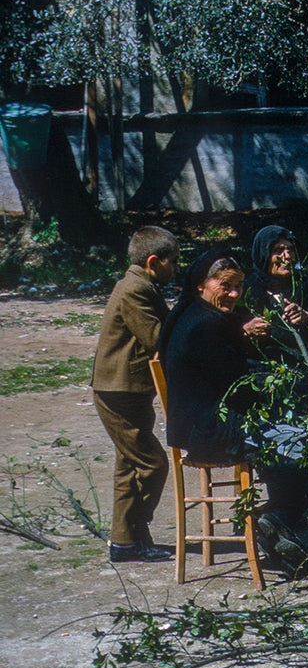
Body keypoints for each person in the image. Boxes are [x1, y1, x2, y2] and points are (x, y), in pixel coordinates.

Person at [158, 249, 308, 570]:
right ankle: (274, 518)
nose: (234, 294)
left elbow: (230, 368)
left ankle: (276, 525)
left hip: (197, 422)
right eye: (225, 286)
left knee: (289, 445)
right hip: (210, 429)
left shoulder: (189, 312)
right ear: (201, 285)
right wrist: (282, 382)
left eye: (239, 286)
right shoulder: (203, 324)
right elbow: (240, 382)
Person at [91, 226, 178, 564]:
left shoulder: (142, 285)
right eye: (173, 262)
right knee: (153, 463)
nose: (176, 269)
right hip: (119, 391)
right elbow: (157, 337)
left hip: (127, 390)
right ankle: (133, 531)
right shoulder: (135, 290)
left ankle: (126, 543)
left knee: (128, 467)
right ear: (153, 261)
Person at [238, 225, 308, 374]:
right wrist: (246, 330)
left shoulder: (306, 287)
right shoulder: (246, 290)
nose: (287, 256)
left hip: (303, 372)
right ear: (263, 254)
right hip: (259, 374)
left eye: (291, 250)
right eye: (278, 251)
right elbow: (224, 336)